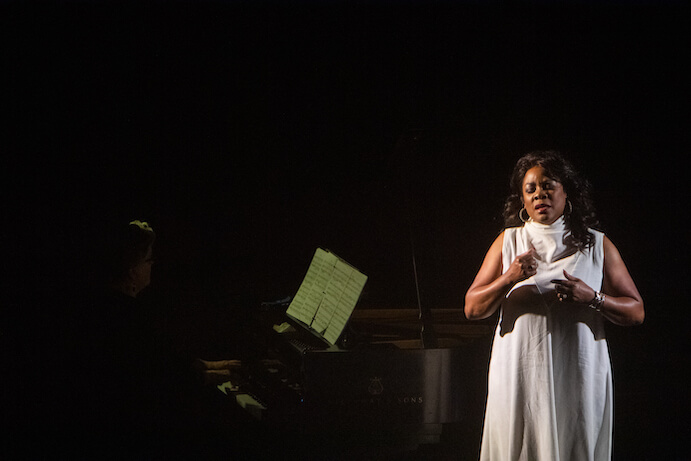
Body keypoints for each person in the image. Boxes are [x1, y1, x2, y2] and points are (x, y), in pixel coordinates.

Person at [464, 151, 644, 461]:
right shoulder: (508, 242)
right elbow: (472, 308)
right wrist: (509, 277)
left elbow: (636, 311)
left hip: (577, 373)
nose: (539, 194)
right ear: (522, 200)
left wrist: (594, 298)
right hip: (521, 375)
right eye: (530, 189)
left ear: (566, 192)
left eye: (547, 185)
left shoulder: (596, 244)